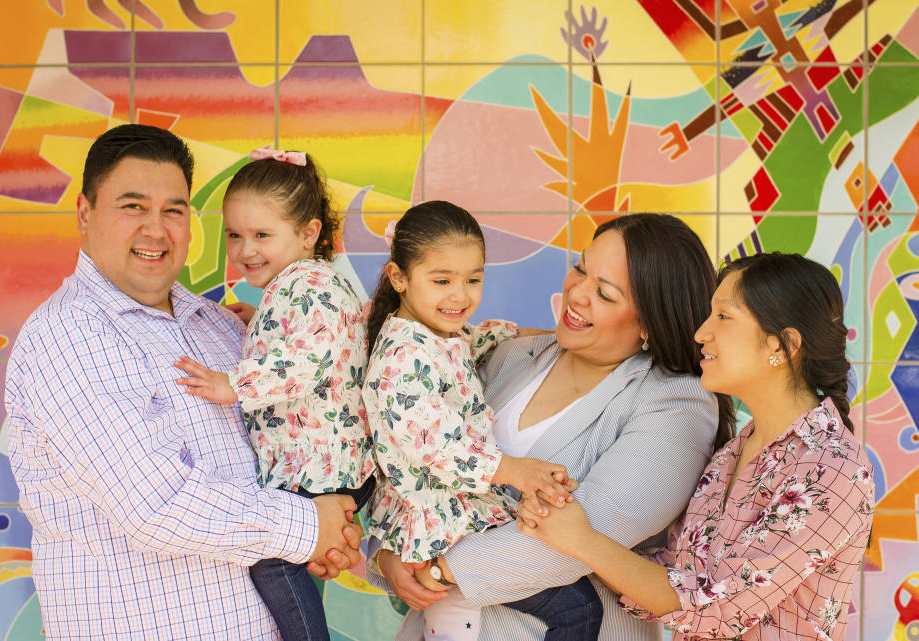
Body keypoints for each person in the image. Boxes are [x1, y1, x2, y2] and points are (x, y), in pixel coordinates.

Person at [4, 124, 361, 641]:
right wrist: (310, 529)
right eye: (133, 207)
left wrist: (327, 539)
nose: (156, 230)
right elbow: (157, 506)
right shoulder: (67, 337)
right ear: (85, 214)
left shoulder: (218, 326)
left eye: (173, 210)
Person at [340, 213, 734, 641]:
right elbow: (410, 449)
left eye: (603, 293)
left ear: (648, 322)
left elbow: (590, 533)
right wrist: (391, 555)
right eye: (581, 268)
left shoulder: (675, 403)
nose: (577, 293)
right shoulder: (513, 354)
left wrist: (438, 565)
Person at [516, 252, 875, 640]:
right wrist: (561, 521)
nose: (702, 332)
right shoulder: (732, 454)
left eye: (723, 316)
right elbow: (670, 573)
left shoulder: (833, 468)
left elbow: (718, 609)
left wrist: (584, 540)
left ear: (782, 345)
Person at [361, 201, 603, 641]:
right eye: (442, 281)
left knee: (460, 620)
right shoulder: (403, 355)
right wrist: (512, 469)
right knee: (578, 608)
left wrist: (556, 337)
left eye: (473, 279)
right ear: (399, 278)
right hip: (441, 522)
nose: (460, 295)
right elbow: (430, 442)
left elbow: (488, 333)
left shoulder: (439, 335)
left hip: (450, 518)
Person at [172, 146, 376, 641]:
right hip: (320, 459)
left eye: (263, 235)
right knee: (288, 557)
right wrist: (254, 330)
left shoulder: (311, 283)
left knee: (272, 562)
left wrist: (233, 383)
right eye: (235, 235)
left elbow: (309, 358)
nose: (246, 250)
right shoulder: (293, 286)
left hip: (323, 462)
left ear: (308, 234)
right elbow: (301, 346)